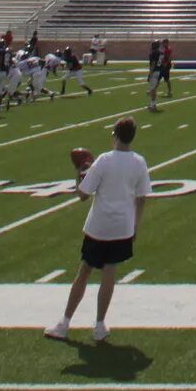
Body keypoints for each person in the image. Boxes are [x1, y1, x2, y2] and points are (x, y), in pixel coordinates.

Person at [48, 117, 157, 347]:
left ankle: (65, 323)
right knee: (109, 273)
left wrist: (79, 172)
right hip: (123, 226)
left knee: (84, 271)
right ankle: (99, 325)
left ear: (115, 136)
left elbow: (82, 194)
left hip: (99, 226)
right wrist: (135, 226)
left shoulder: (104, 161)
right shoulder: (139, 161)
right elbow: (142, 199)